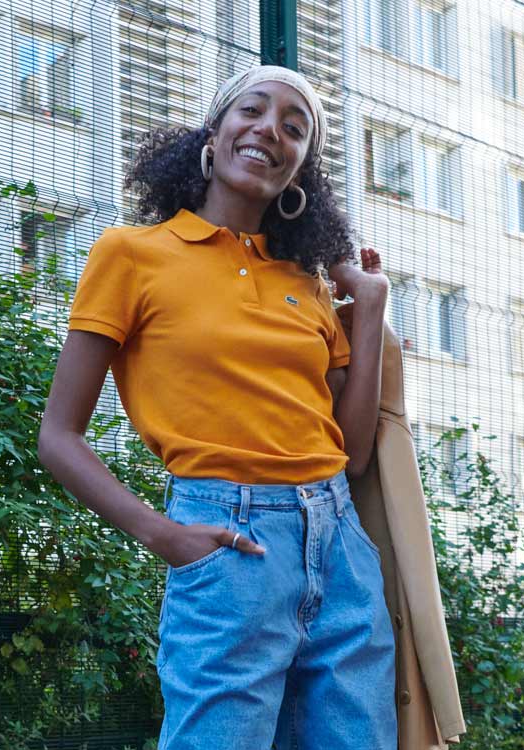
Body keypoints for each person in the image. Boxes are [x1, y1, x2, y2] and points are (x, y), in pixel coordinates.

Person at [38, 65, 396, 749]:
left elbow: (350, 455)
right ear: (213, 133)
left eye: (294, 127)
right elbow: (59, 436)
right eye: (252, 111)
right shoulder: (131, 254)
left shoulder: (307, 283)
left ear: (301, 170)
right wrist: (163, 535)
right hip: (229, 541)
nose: (270, 130)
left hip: (340, 545)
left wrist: (372, 308)